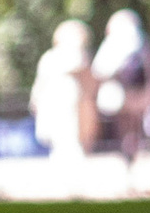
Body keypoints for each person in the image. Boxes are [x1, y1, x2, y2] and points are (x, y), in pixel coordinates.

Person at [30, 18, 99, 162]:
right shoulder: (51, 57)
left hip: (73, 102)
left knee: (72, 131)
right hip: (55, 101)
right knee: (60, 132)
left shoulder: (79, 57)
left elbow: (89, 82)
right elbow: (40, 83)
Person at [91, 5, 150, 157]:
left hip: (129, 90)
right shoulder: (142, 42)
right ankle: (131, 148)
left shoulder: (116, 43)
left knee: (127, 122)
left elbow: (99, 70)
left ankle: (129, 148)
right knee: (131, 121)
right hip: (129, 91)